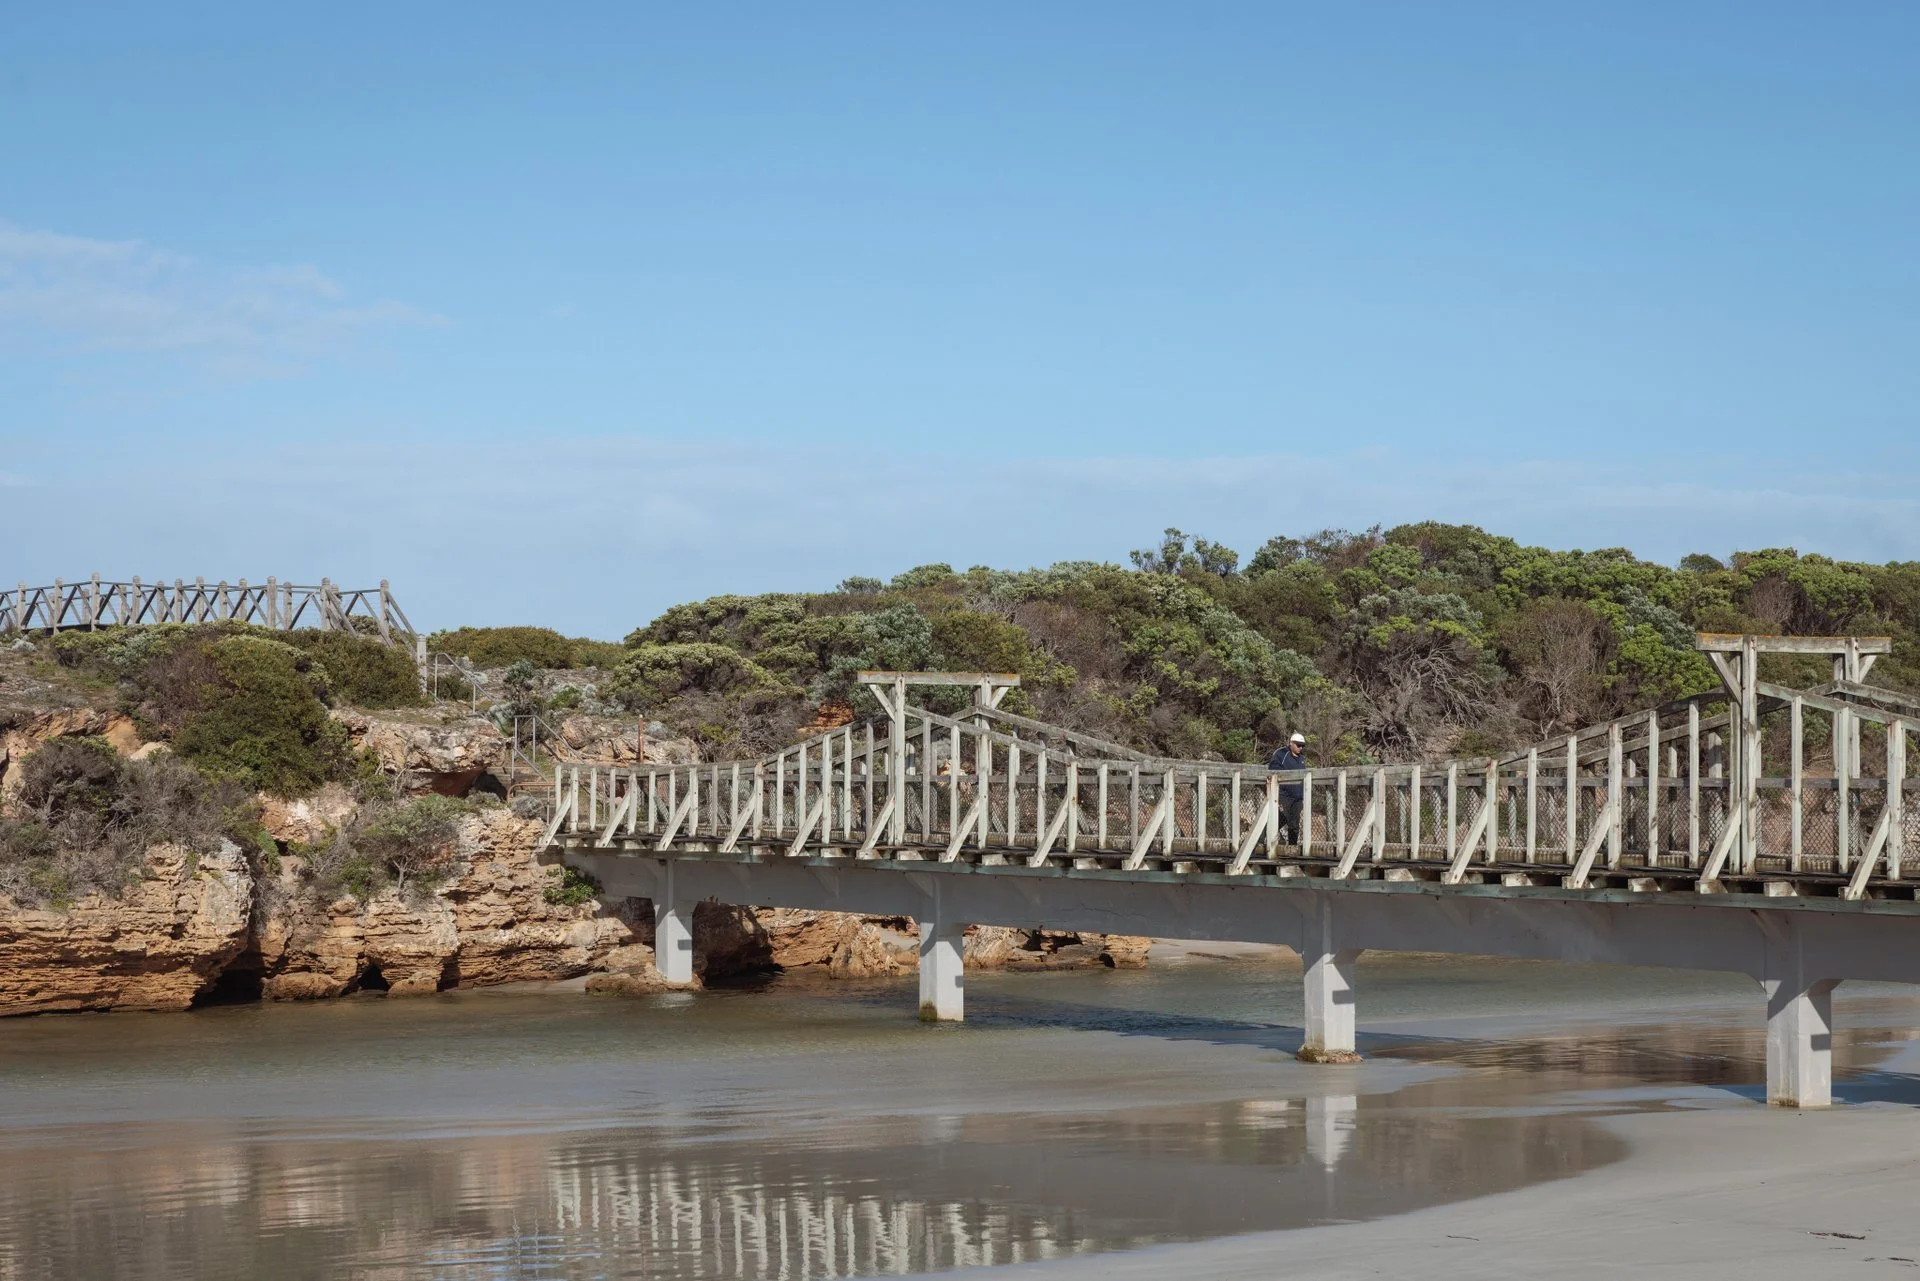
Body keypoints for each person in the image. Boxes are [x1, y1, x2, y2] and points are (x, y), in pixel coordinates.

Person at [1266, 732, 1308, 845]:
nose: (1300, 748)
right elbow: (1272, 771)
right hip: (1283, 794)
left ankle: (1292, 846)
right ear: (1291, 743)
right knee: (1280, 818)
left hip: (1297, 797)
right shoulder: (1281, 754)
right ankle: (1264, 839)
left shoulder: (1301, 759)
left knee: (1294, 824)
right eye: (1298, 745)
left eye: (1302, 745)